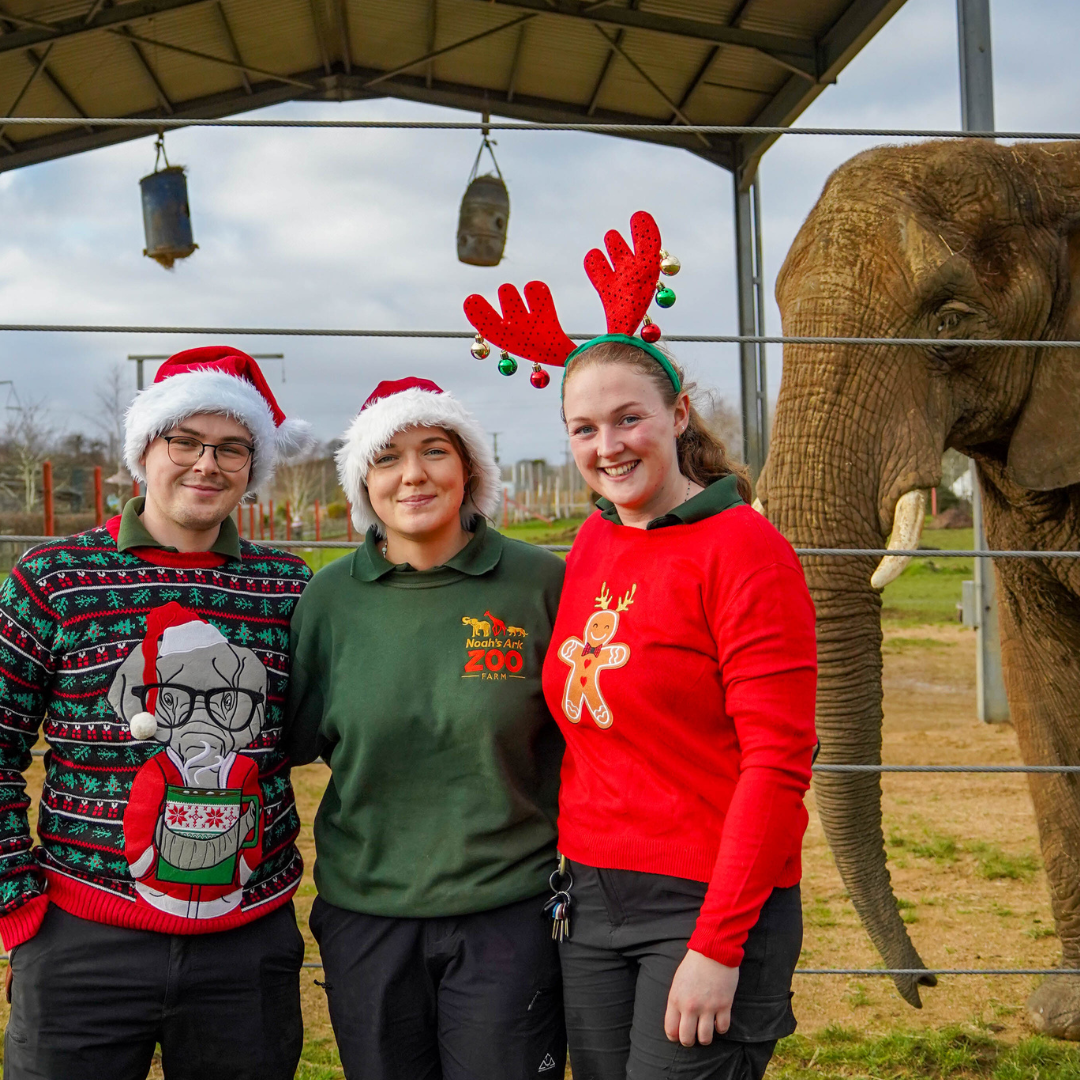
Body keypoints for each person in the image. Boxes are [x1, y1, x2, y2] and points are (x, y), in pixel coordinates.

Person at [464, 211, 817, 1080]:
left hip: (705, 901)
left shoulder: (745, 550)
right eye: (584, 430)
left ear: (678, 413)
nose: (607, 447)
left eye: (628, 420)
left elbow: (778, 761)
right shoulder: (592, 543)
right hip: (590, 895)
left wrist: (718, 944)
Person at [0, 347, 315, 1080]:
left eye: (232, 448)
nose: (207, 464)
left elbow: (317, 735)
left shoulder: (289, 590)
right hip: (83, 935)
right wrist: (18, 902)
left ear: (252, 466)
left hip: (246, 946)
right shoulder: (54, 581)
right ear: (147, 448)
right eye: (186, 440)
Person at [285, 377, 568, 1080]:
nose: (413, 474)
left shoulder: (539, 583)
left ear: (467, 467)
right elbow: (293, 741)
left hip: (508, 911)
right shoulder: (327, 600)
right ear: (363, 484)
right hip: (367, 915)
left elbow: (584, 739)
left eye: (433, 450)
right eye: (386, 457)